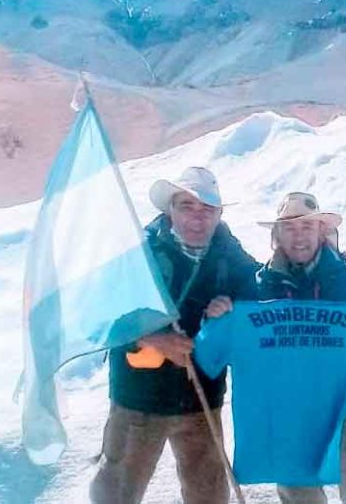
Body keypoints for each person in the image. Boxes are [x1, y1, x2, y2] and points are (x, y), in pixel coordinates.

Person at [206, 191, 346, 504]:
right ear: (276, 235)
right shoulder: (257, 286)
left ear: (321, 231)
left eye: (307, 227)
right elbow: (224, 340)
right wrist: (220, 318)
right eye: (289, 228)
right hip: (290, 412)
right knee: (299, 497)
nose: (299, 236)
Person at [90, 167, 259, 504]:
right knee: (118, 491)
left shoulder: (229, 254)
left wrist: (232, 310)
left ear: (219, 214)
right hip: (139, 399)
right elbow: (101, 310)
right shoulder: (140, 253)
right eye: (187, 207)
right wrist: (151, 338)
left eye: (207, 210)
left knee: (208, 492)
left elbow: (257, 299)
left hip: (202, 397)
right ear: (169, 210)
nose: (198, 219)